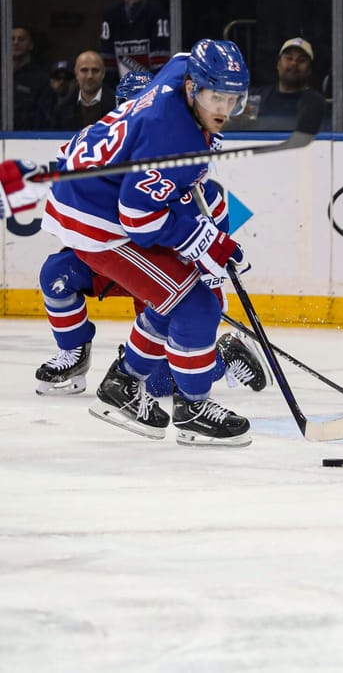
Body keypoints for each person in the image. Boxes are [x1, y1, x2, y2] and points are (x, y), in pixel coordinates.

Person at [7, 39, 258, 446]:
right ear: (193, 89)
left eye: (232, 99)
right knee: (196, 304)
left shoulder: (181, 71)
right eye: (216, 97)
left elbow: (180, 58)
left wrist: (202, 236)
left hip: (93, 188)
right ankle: (193, 410)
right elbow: (139, 219)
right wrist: (201, 240)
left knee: (174, 295)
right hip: (95, 215)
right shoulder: (175, 141)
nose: (223, 111)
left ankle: (123, 384)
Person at [238, 37, 325, 131]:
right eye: (289, 58)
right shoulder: (255, 97)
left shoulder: (315, 103)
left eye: (301, 60)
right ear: (278, 64)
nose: (294, 63)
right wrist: (236, 119)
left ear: (309, 70)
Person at [99, 0, 170, 86]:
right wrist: (113, 87)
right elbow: (107, 54)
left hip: (151, 85)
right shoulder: (110, 14)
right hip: (119, 85)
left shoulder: (157, 11)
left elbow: (160, 54)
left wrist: (154, 86)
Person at [52, 51, 115, 131]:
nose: (90, 76)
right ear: (76, 73)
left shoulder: (119, 106)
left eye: (95, 70)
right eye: (84, 70)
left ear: (103, 73)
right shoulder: (61, 108)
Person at [12, 25, 49, 130]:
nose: (16, 43)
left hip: (28, 137)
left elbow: (43, 115)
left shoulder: (41, 78)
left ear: (30, 45)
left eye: (21, 39)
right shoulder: (4, 75)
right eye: (12, 39)